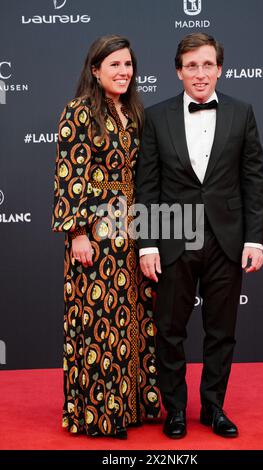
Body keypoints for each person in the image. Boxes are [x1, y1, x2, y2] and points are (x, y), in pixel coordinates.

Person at [135, 33, 263, 439]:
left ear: (219, 69)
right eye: (191, 65)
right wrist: (149, 243)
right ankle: (175, 409)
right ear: (178, 71)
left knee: (221, 330)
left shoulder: (242, 113)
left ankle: (213, 407)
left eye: (207, 64)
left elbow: (252, 180)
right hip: (174, 236)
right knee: (170, 330)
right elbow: (147, 184)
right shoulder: (156, 117)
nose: (200, 73)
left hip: (227, 239)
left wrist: (254, 239)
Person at [52, 35, 160, 439]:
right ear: (95, 70)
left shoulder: (134, 112)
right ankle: (100, 412)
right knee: (101, 321)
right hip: (95, 232)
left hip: (133, 229)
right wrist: (77, 232)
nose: (123, 72)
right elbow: (69, 174)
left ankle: (132, 405)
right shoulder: (78, 112)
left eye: (128, 64)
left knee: (135, 317)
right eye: (114, 64)